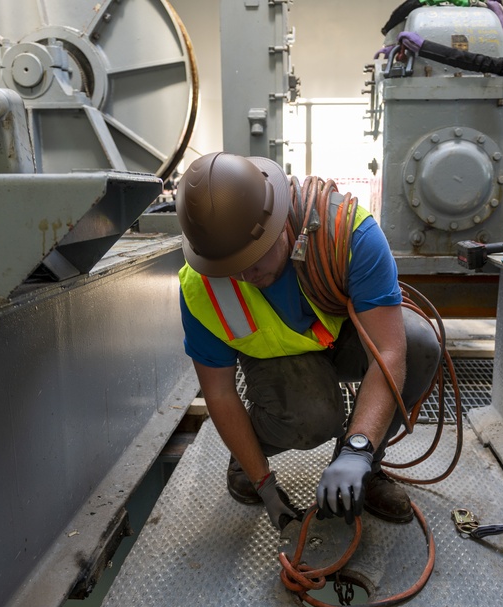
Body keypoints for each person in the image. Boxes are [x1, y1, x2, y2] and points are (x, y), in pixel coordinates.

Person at [175, 152, 441, 530]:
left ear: (281, 221)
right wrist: (263, 484)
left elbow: (388, 350)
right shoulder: (200, 287)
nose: (247, 275)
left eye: (256, 257)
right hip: (277, 359)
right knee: (312, 417)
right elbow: (219, 394)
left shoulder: (350, 234)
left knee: (418, 345)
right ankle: (245, 458)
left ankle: (366, 465)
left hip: (342, 336)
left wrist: (358, 448)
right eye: (231, 268)